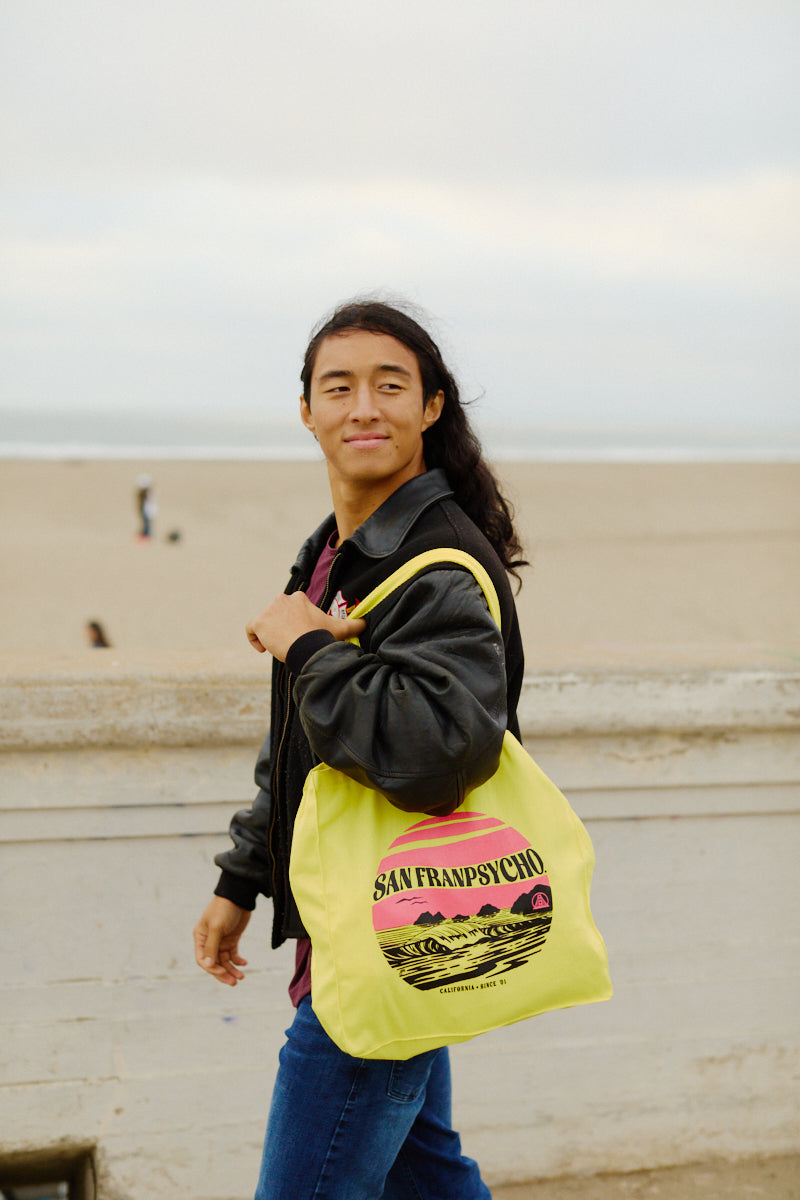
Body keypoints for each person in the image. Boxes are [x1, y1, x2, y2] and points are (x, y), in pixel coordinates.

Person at [193, 299, 527, 1200]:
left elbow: (436, 754)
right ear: (307, 411)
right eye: (337, 387)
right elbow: (304, 747)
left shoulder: (439, 562)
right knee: (429, 1180)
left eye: (391, 385)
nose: (363, 408)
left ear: (431, 408)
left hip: (382, 938)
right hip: (365, 924)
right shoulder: (336, 556)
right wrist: (242, 878)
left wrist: (304, 646)